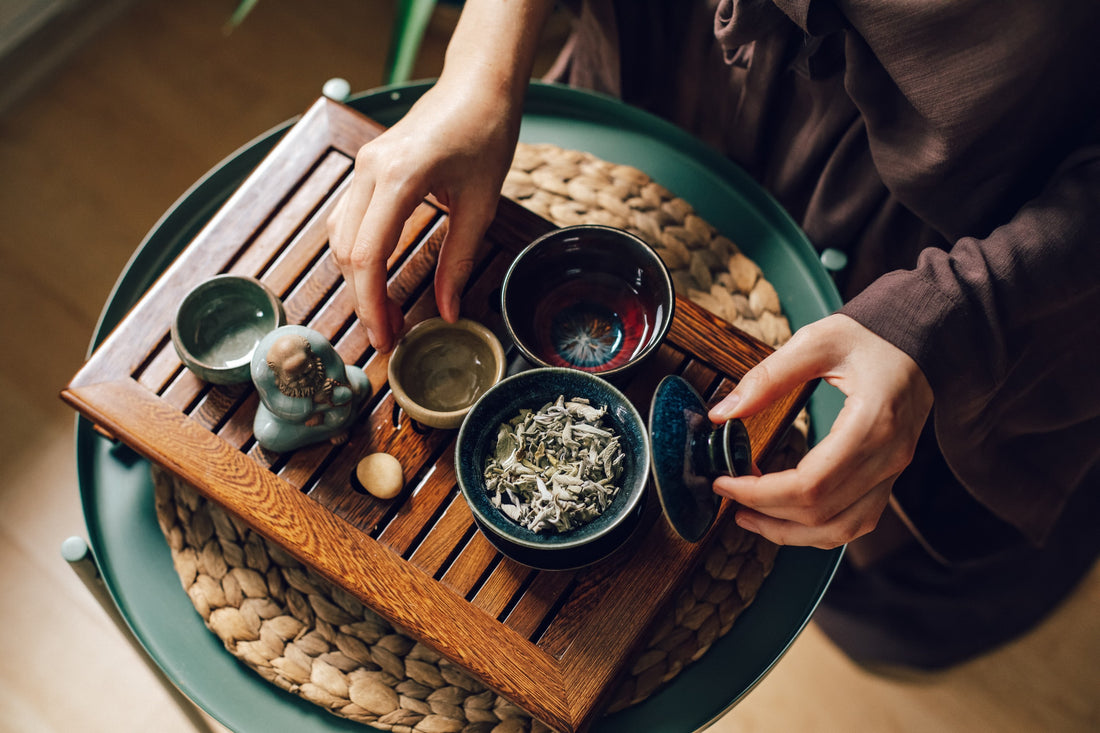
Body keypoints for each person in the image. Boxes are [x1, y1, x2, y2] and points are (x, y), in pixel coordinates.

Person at [327, 0, 1100, 668]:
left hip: (975, 250)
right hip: (659, 80)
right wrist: (481, 67)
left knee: (889, 603)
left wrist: (949, 315)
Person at [251, 325, 371, 452]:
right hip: (291, 420)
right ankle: (328, 429)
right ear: (277, 374)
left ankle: (335, 424)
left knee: (354, 391)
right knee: (266, 435)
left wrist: (328, 392)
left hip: (331, 399)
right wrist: (314, 401)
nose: (303, 380)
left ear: (311, 355)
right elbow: (277, 406)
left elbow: (336, 369)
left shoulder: (318, 345)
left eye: (306, 371)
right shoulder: (262, 374)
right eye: (295, 378)